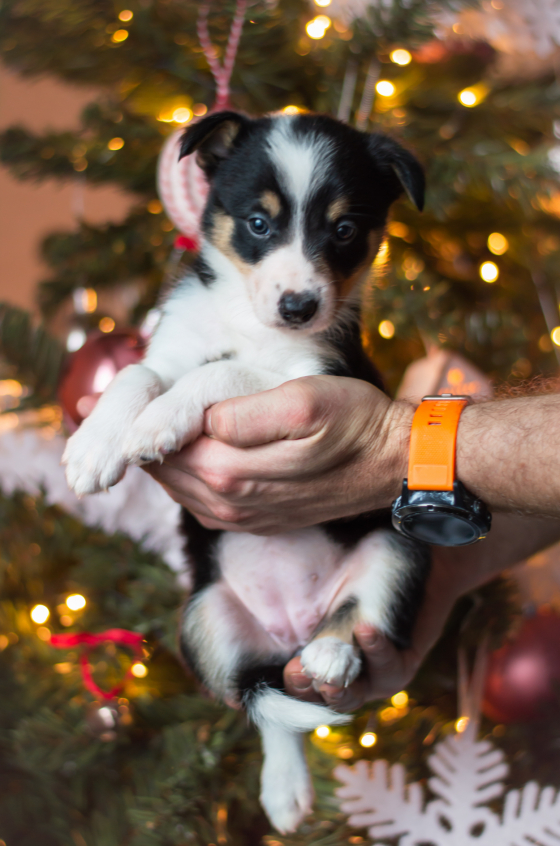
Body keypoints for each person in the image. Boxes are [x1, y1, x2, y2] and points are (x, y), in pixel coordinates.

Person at [78, 376, 560, 709]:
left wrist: (393, 445)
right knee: (240, 665)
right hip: (259, 590)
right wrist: (442, 571)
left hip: (340, 561)